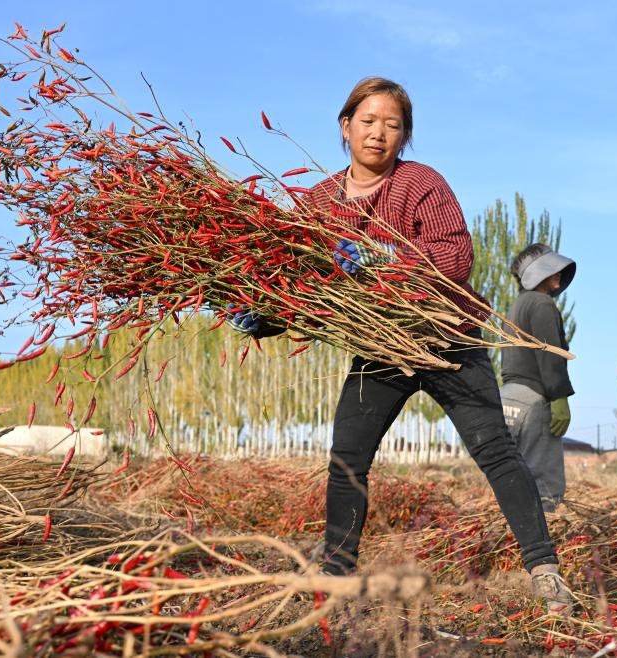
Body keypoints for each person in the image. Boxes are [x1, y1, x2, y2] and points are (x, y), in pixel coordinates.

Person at [231, 77, 575, 613]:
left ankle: (545, 570)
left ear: (405, 136)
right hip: (383, 348)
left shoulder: (421, 184)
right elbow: (300, 287)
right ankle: (336, 574)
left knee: (495, 451)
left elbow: (456, 256)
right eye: (368, 122)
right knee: (348, 456)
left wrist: (386, 259)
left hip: (447, 341)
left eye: (392, 126)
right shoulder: (320, 202)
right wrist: (263, 316)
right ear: (345, 127)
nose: (379, 134)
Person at [500, 244, 576, 513]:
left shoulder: (515, 307)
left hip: (508, 398)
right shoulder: (542, 304)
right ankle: (544, 548)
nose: (559, 275)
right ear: (538, 274)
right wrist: (559, 397)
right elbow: (550, 354)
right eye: (553, 269)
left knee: (515, 481)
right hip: (533, 400)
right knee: (544, 486)